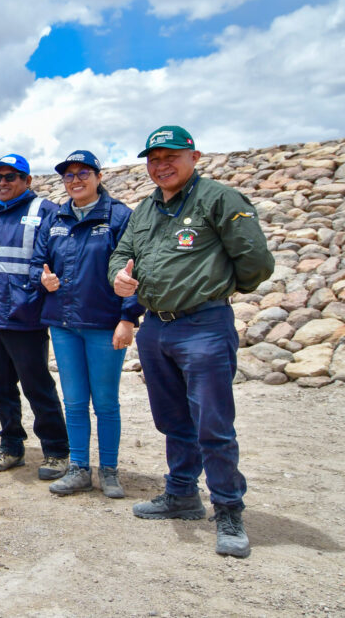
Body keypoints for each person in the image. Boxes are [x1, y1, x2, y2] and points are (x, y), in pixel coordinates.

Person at [108, 125, 274, 558]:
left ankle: (228, 509)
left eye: (170, 157)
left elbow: (255, 261)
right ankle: (181, 494)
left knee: (212, 424)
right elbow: (119, 256)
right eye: (153, 159)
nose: (161, 166)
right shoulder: (144, 210)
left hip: (204, 325)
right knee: (172, 419)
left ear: (194, 157)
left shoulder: (218, 198)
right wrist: (120, 280)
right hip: (156, 329)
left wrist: (211, 290)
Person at [29, 150, 143, 497]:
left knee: (106, 401)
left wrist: (128, 317)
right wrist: (43, 279)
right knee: (75, 401)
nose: (75, 180)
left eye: (83, 174)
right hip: (64, 324)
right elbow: (38, 262)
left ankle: (108, 470)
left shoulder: (120, 217)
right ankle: (79, 467)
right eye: (69, 175)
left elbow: (133, 270)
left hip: (104, 323)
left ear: (98, 176)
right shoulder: (56, 217)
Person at [0, 153, 70, 480]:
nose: (3, 183)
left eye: (10, 177)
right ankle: (11, 446)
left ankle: (56, 450)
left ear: (27, 181)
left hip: (26, 318)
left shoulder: (47, 213)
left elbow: (59, 262)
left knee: (38, 386)